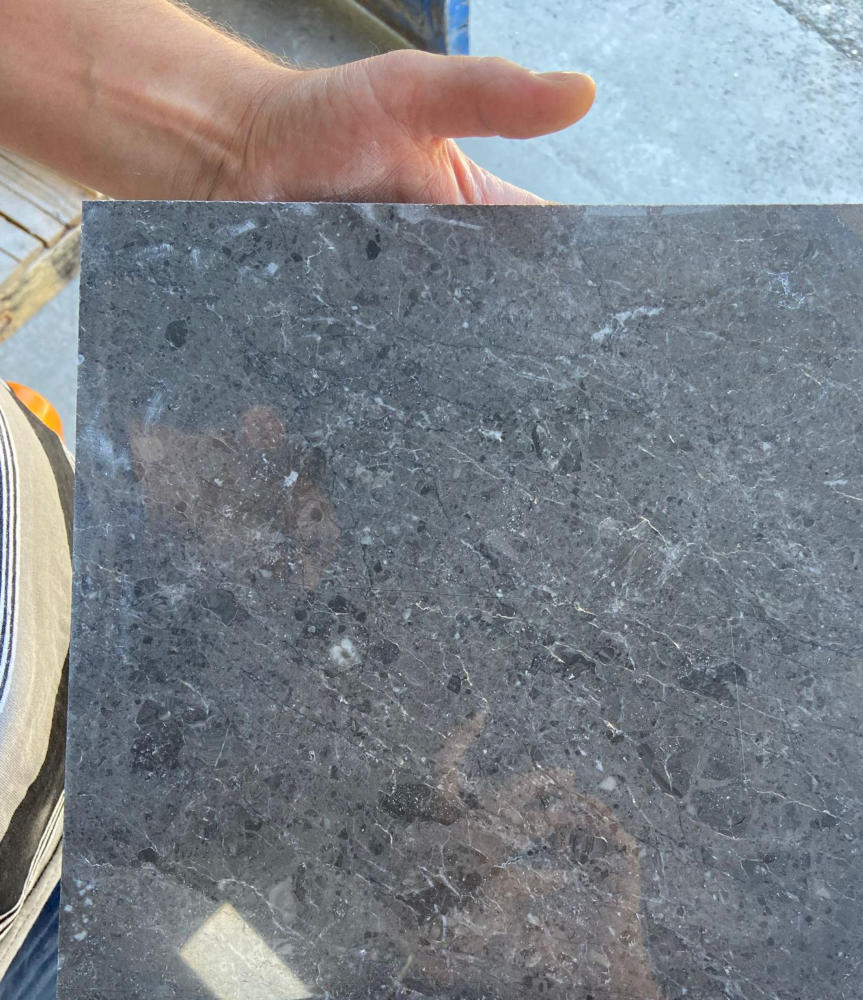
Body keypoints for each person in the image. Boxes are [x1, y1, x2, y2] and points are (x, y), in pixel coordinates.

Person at [0, 0, 595, 990]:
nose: (305, 578)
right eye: (312, 534)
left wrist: (238, 138)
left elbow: (188, 925)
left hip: (87, 842)